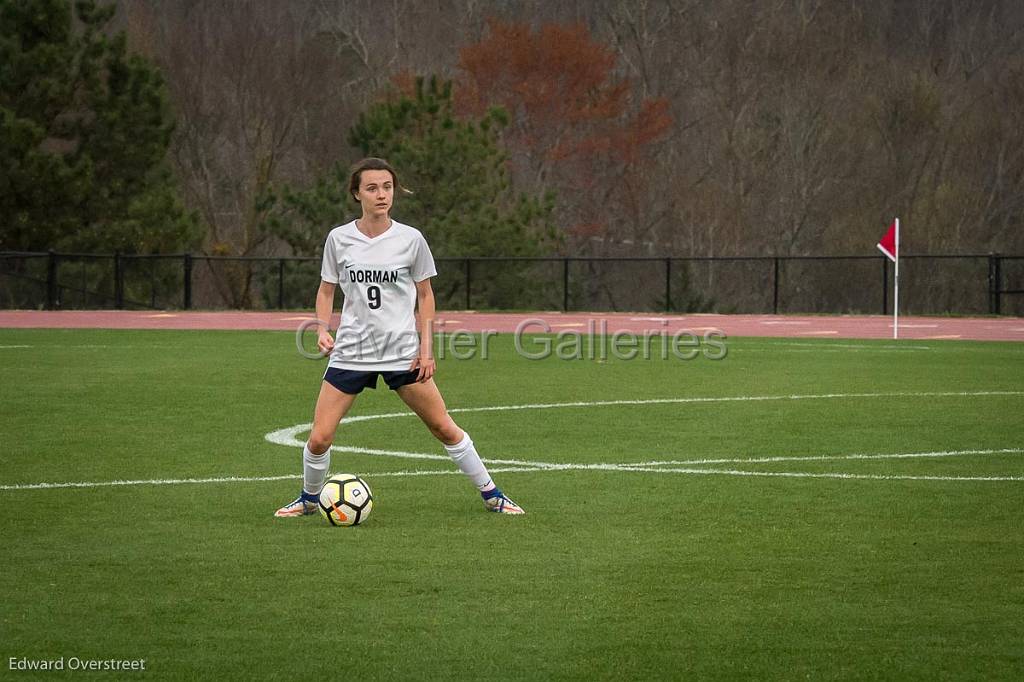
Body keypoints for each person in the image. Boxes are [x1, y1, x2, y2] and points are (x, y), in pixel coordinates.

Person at [275, 157, 525, 517]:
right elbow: (326, 289)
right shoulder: (339, 238)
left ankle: (493, 494)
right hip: (352, 352)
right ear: (356, 193)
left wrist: (426, 349)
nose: (381, 194)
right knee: (319, 437)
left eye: (387, 187)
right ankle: (309, 499)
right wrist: (321, 328)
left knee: (443, 427)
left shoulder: (411, 239)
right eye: (372, 188)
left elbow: (425, 294)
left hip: (402, 352)